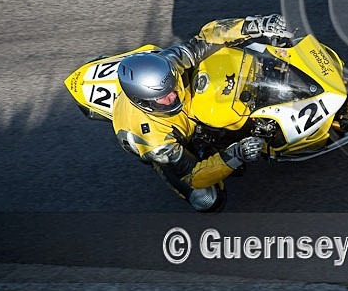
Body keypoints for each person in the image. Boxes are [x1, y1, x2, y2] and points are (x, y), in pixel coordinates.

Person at [112, 15, 292, 212]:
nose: (173, 95)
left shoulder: (167, 67)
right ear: (143, 102)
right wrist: (236, 154)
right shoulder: (156, 143)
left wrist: (254, 25)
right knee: (206, 199)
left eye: (172, 86)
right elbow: (195, 175)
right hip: (173, 145)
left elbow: (207, 39)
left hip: (189, 111)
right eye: (163, 97)